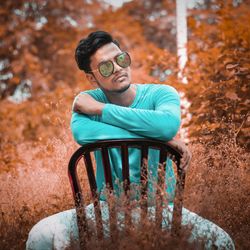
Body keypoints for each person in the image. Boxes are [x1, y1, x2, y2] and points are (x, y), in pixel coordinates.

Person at [26, 31, 235, 250]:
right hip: (105, 214)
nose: (117, 68)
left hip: (163, 211)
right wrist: (164, 140)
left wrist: (102, 110)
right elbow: (82, 134)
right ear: (91, 77)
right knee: (39, 235)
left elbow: (167, 125)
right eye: (105, 67)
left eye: (121, 59)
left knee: (223, 243)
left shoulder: (161, 94)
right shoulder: (85, 102)